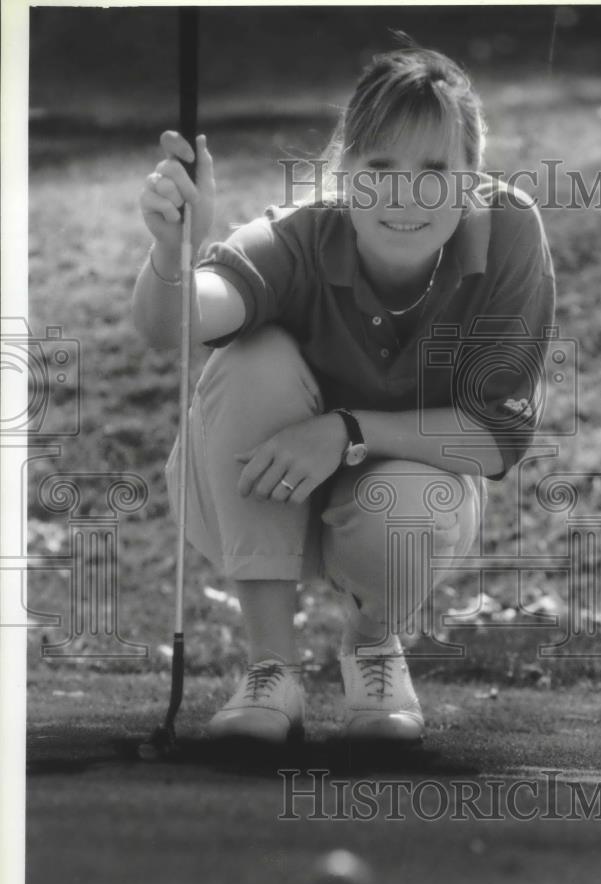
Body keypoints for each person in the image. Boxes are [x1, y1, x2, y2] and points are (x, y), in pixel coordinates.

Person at [133, 42, 555, 744]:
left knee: (414, 492)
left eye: (433, 170)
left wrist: (345, 430)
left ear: (472, 181)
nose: (404, 195)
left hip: (405, 510)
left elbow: (496, 435)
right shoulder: (295, 236)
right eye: (379, 167)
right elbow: (169, 328)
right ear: (344, 174)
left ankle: (372, 649)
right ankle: (271, 670)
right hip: (247, 500)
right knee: (252, 357)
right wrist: (172, 256)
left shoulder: (508, 233)